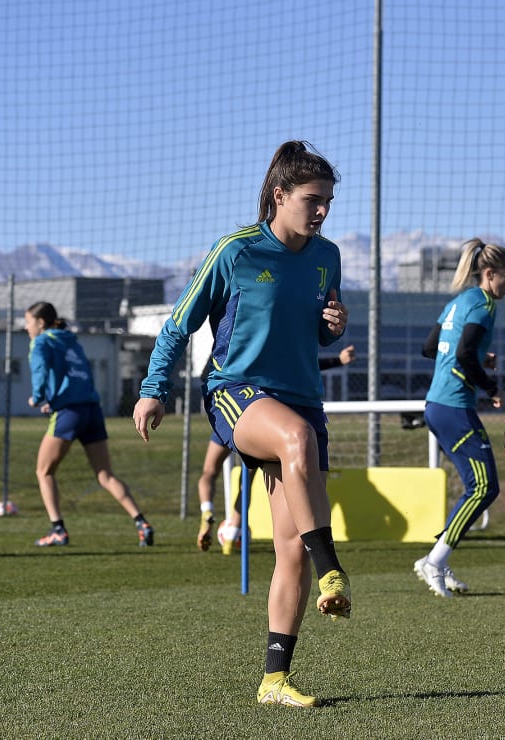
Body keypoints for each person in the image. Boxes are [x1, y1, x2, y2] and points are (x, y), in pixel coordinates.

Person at [132, 140, 351, 708]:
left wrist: (333, 325)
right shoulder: (235, 251)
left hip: (302, 399)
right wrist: (154, 389)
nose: (322, 210)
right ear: (279, 195)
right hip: (238, 394)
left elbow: (318, 331)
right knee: (295, 441)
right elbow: (179, 325)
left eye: (328, 200)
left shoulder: (328, 256)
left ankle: (275, 678)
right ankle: (336, 571)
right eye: (312, 199)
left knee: (290, 549)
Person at [413, 237, 505, 598]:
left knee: (477, 487)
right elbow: (464, 353)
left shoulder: (459, 301)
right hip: (454, 406)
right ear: (489, 274)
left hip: (437, 405)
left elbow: (430, 348)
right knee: (485, 487)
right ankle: (434, 561)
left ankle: (437, 558)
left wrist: (477, 356)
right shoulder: (484, 304)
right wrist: (490, 386)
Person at [197, 345, 357, 554]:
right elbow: (299, 365)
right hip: (254, 417)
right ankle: (234, 530)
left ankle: (207, 511)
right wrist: (337, 360)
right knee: (246, 480)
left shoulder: (226, 344)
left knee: (210, 471)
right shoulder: (251, 342)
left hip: (227, 416)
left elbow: (204, 377)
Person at [24, 301, 155, 548]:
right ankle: (141, 522)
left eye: (28, 321)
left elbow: (39, 370)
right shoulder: (71, 340)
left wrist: (38, 397)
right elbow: (81, 374)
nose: (26, 327)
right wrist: (56, 400)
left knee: (44, 471)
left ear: (41, 323)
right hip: (91, 410)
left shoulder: (41, 341)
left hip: (70, 412)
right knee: (105, 474)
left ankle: (58, 530)